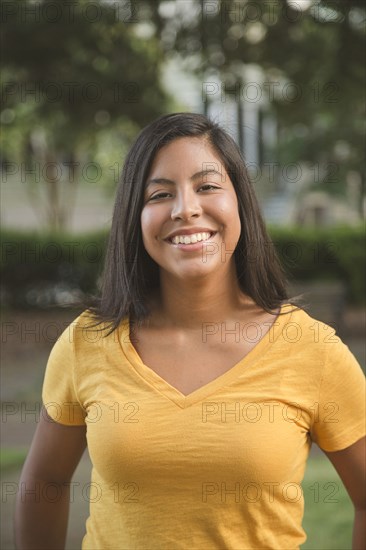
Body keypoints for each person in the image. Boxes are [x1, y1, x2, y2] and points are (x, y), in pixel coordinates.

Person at [15, 113, 365, 549]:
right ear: (135, 217)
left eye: (207, 186)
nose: (186, 209)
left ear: (240, 202)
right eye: (160, 194)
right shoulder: (88, 341)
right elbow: (45, 481)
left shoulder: (312, 350)